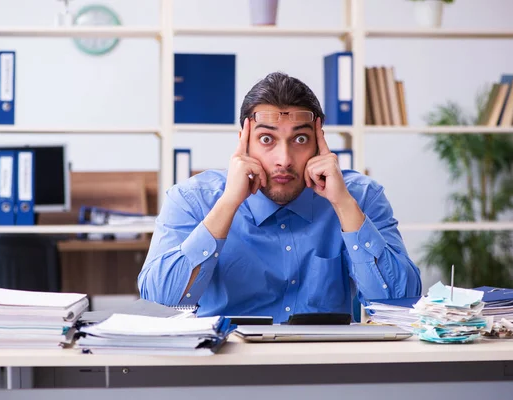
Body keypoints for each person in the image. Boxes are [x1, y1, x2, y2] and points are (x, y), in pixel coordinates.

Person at [138, 72, 421, 322]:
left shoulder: (360, 196)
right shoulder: (192, 200)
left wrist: (344, 205)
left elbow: (399, 300)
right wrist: (227, 205)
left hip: (327, 366)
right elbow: (161, 301)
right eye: (266, 139)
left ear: (319, 141)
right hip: (225, 366)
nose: (283, 160)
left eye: (300, 140)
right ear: (243, 143)